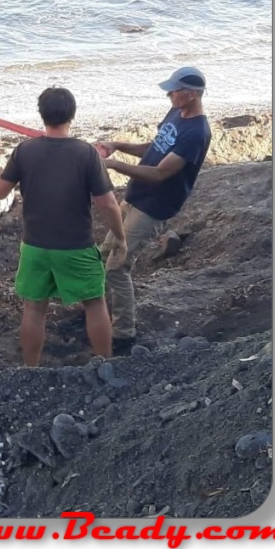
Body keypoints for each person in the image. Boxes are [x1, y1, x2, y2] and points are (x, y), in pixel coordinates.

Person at [0, 87, 126, 366]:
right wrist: (120, 237)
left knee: (34, 307)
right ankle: (105, 363)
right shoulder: (86, 154)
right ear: (72, 116)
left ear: (41, 115)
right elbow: (108, 204)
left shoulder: (24, 150)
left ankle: (31, 368)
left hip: (35, 246)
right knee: (95, 302)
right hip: (76, 245)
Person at [96, 66, 212, 356]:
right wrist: (117, 145)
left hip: (154, 207)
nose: (169, 94)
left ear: (193, 94)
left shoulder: (197, 133)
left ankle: (123, 336)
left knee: (117, 266)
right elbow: (154, 147)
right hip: (137, 194)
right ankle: (99, 312)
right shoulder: (176, 113)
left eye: (174, 90)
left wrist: (113, 166)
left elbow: (161, 173)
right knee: (103, 252)